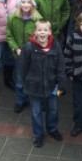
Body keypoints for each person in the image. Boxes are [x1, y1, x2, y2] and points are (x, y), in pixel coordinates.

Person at [20, 18, 67, 147]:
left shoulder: (55, 46)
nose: (42, 33)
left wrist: (62, 83)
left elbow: (60, 66)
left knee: (53, 109)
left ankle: (52, 129)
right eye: (39, 30)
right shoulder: (28, 48)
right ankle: (38, 134)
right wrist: (27, 83)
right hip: (33, 87)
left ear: (50, 32)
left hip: (52, 86)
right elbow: (23, 68)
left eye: (45, 30)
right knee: (35, 112)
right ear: (35, 31)